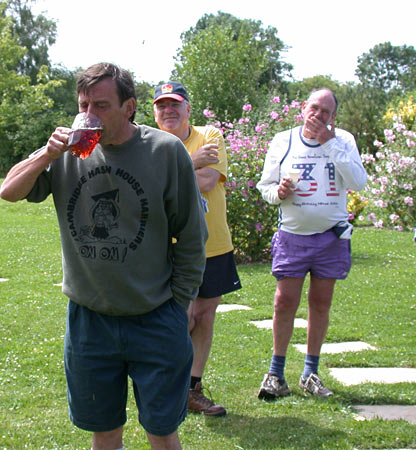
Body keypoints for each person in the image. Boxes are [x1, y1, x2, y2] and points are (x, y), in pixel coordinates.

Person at [0, 63, 207, 450]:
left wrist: (178, 305)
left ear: (129, 107)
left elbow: (192, 236)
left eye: (101, 106)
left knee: (162, 432)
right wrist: (46, 154)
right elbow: (8, 191)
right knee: (105, 432)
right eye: (83, 105)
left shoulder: (165, 152)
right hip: (90, 322)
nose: (89, 115)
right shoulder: (65, 151)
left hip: (155, 317)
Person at [256, 88, 367, 399]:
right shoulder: (284, 140)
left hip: (331, 236)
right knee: (284, 302)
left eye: (326, 112)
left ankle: (310, 373)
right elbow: (266, 186)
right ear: (304, 107)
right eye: (314, 108)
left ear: (334, 117)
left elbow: (358, 182)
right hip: (293, 235)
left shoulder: (343, 140)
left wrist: (329, 143)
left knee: (320, 303)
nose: (318, 115)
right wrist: (278, 193)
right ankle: (276, 374)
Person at [152, 81, 242, 417]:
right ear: (154, 112)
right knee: (181, 317)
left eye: (175, 104)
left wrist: (174, 172)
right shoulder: (150, 142)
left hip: (212, 244)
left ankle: (192, 388)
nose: (169, 111)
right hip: (169, 247)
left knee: (204, 316)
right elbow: (152, 184)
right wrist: (191, 162)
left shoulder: (210, 136)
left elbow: (207, 181)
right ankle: (167, 384)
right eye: (162, 105)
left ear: (188, 109)